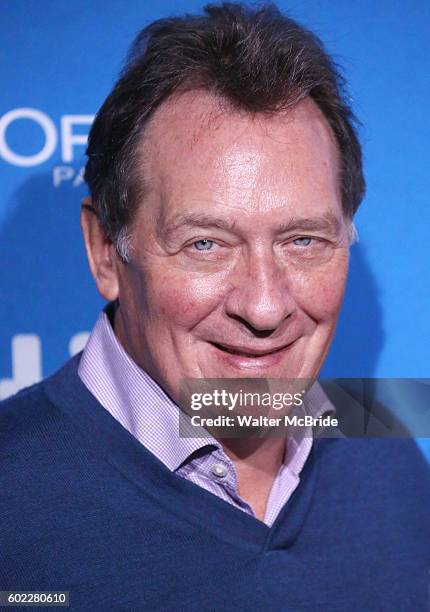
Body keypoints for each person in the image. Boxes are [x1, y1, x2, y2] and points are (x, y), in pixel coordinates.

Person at [1, 3, 429, 610]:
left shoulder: (386, 450)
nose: (263, 305)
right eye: (207, 244)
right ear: (104, 252)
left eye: (303, 240)